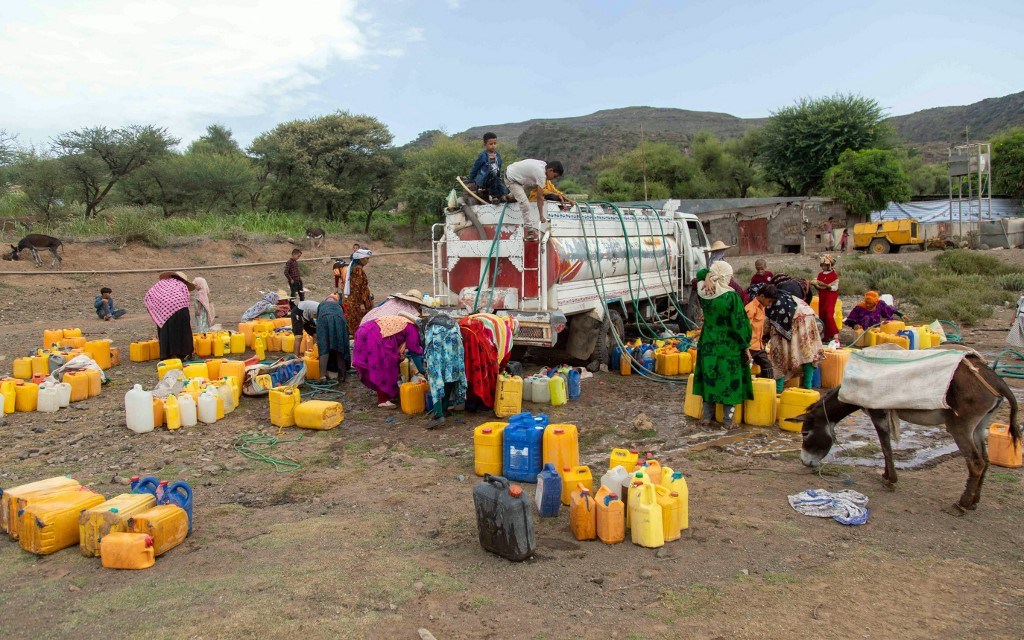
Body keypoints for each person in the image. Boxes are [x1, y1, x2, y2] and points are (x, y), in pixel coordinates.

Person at [692, 261, 753, 428]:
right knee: (729, 381)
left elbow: (698, 275)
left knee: (709, 379)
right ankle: (727, 421)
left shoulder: (704, 291)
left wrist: (707, 277)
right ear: (725, 276)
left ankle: (706, 417)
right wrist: (746, 346)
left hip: (708, 344)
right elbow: (740, 324)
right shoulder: (731, 297)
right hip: (728, 346)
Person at [352, 311, 423, 408]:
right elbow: (414, 350)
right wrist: (422, 370)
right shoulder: (412, 329)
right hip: (373, 335)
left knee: (377, 364)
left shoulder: (404, 322)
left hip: (364, 330)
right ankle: (383, 400)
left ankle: (387, 394)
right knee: (384, 366)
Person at [763, 284, 825, 390]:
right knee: (807, 353)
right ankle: (808, 387)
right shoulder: (788, 296)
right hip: (807, 317)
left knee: (780, 355)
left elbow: (766, 327)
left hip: (794, 320)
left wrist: (763, 339)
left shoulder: (771, 302)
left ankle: (778, 389)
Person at [422, 314, 467, 425]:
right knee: (451, 372)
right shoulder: (450, 321)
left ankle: (438, 414)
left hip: (436, 337)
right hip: (455, 334)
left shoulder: (427, 327)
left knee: (435, 377)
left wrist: (423, 368)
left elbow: (416, 347)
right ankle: (445, 408)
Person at [505, 159, 564, 241]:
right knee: (525, 204)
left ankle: (509, 197)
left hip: (519, 177)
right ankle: (530, 232)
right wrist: (541, 216)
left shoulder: (544, 166)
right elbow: (539, 197)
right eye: (554, 176)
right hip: (511, 178)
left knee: (534, 185)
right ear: (550, 170)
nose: (553, 179)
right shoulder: (541, 175)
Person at [144, 272, 195, 360]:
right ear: (183, 280)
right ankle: (183, 353)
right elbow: (186, 300)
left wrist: (159, 308)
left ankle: (166, 354)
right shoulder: (181, 285)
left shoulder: (161, 283)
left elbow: (149, 295)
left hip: (163, 310)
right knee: (183, 330)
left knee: (165, 330)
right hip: (180, 307)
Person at [316, 293, 350, 381]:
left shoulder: (321, 305)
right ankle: (342, 374)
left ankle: (322, 376)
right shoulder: (339, 307)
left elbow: (318, 319)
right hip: (339, 320)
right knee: (340, 346)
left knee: (324, 346)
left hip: (324, 320)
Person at [745, 283, 774, 379]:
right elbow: (745, 328)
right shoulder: (751, 308)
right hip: (750, 346)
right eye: (769, 301)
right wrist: (746, 348)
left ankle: (766, 388)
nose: (770, 304)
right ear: (762, 296)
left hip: (758, 346)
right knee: (745, 369)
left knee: (768, 366)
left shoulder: (762, 307)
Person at [467, 132, 508, 202]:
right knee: (493, 174)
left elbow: (499, 167)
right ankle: (494, 196)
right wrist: (471, 180)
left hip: (495, 179)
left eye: (495, 143)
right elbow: (475, 167)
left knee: (502, 185)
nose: (493, 146)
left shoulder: (497, 155)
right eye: (491, 144)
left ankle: (505, 197)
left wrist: (499, 178)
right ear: (485, 145)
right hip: (485, 180)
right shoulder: (483, 156)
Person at [811, 254, 840, 342]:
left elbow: (835, 288)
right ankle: (827, 336)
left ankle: (835, 336)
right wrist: (816, 285)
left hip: (830, 296)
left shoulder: (834, 275)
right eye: (822, 265)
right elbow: (819, 289)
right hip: (822, 296)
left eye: (825, 265)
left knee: (829, 315)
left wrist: (826, 286)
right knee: (823, 315)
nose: (823, 267)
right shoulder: (820, 275)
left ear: (829, 265)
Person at [361, 289, 427, 327]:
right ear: (416, 303)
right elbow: (418, 323)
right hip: (376, 329)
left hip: (364, 323)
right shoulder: (411, 310)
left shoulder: (392, 300)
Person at [345, 248, 373, 333]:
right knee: (361, 323)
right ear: (361, 258)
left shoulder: (354, 268)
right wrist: (361, 303)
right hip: (358, 303)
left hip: (355, 301)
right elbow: (358, 288)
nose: (367, 261)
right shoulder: (358, 270)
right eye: (366, 258)